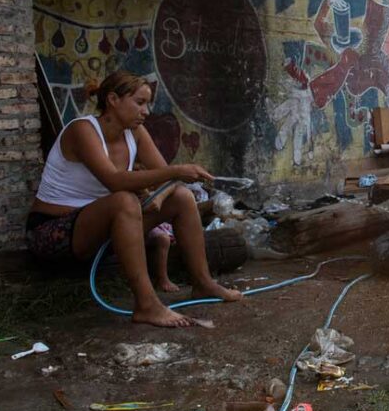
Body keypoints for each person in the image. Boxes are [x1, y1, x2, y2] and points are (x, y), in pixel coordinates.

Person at [26, 71, 242, 328]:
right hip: (54, 232)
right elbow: (114, 181)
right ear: (113, 99)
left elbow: (166, 183)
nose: (146, 111)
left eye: (147, 104)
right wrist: (177, 171)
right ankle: (147, 305)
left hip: (103, 232)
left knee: (182, 197)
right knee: (125, 200)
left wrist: (159, 197)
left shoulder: (135, 133)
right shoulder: (82, 130)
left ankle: (203, 283)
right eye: (139, 103)